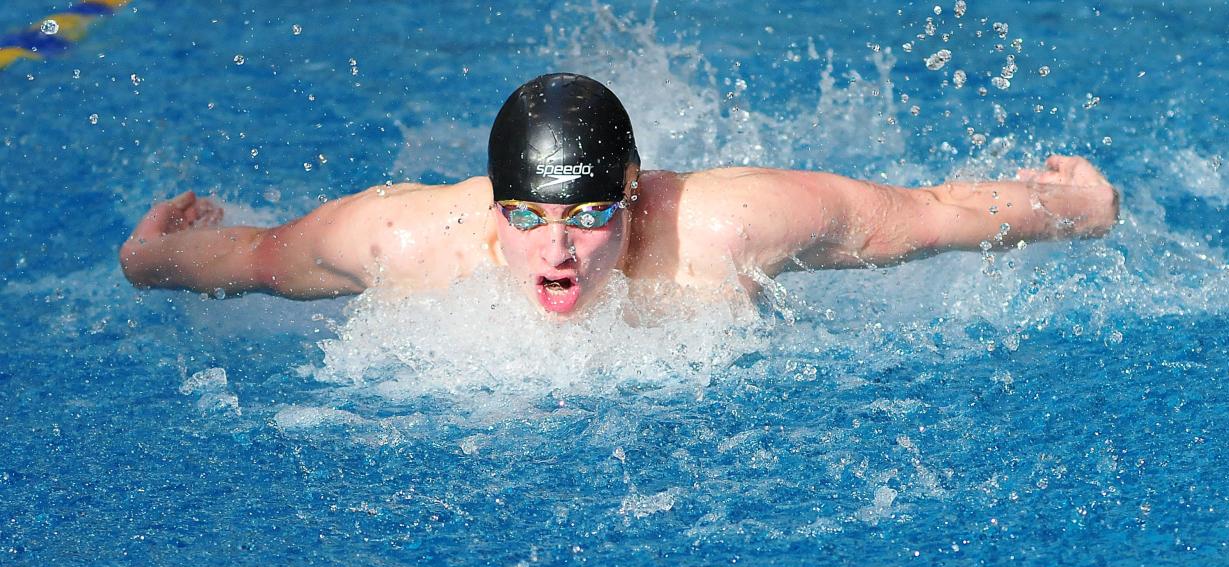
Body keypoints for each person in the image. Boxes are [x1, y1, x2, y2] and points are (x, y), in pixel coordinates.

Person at [120, 72, 1119, 316]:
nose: (560, 251)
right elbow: (254, 257)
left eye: (590, 215)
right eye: (531, 218)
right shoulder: (404, 240)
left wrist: (1076, 210)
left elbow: (922, 216)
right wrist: (146, 256)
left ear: (635, 198)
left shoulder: (720, 224)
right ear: (493, 206)